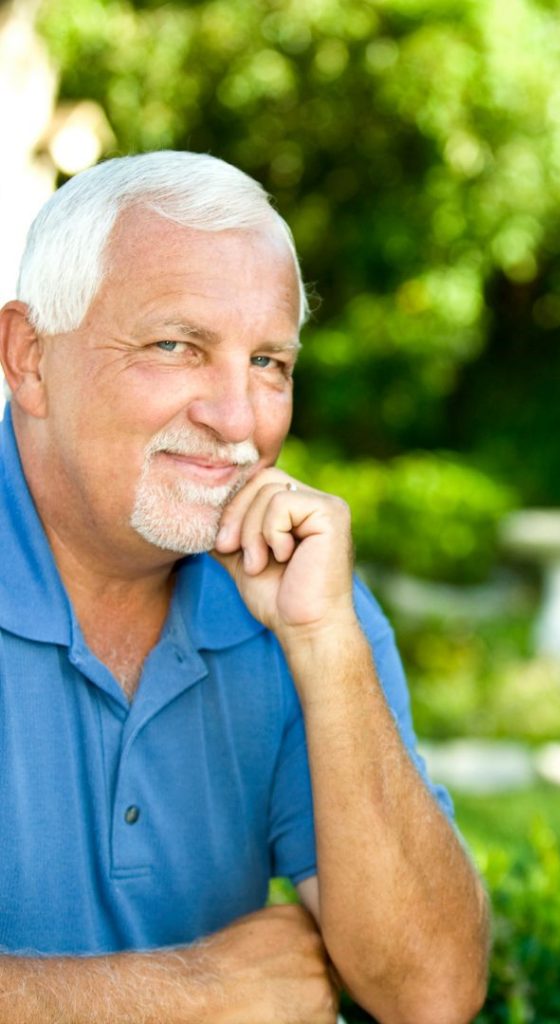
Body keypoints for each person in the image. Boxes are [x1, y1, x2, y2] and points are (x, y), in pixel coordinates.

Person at [0, 151, 489, 1023]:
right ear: (30, 358)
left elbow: (431, 995)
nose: (238, 420)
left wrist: (325, 644)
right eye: (176, 346)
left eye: (269, 363)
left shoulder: (299, 595)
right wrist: (191, 997)